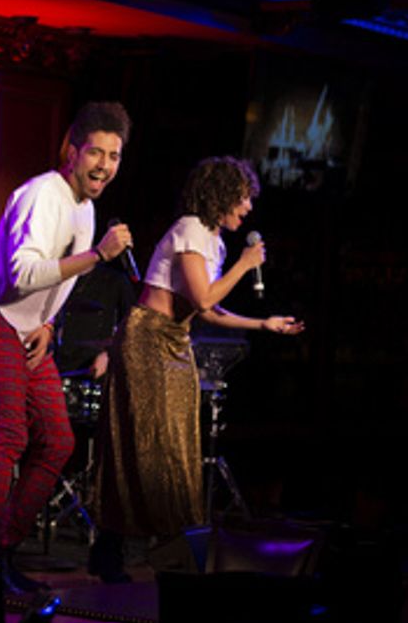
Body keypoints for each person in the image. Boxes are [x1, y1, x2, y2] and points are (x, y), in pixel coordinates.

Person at [90, 156, 303, 583]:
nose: (247, 209)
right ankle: (124, 550)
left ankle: (156, 552)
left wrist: (263, 324)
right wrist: (245, 265)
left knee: (177, 447)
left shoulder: (212, 239)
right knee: (149, 445)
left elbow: (208, 309)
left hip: (174, 340)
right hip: (149, 338)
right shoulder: (191, 229)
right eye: (243, 199)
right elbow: (205, 300)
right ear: (221, 195)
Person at [0, 101, 134, 592]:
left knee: (58, 440)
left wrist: (50, 323)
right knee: (10, 436)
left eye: (114, 156)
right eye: (95, 153)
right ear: (72, 150)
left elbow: (55, 283)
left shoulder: (86, 206)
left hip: (27, 332)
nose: (104, 165)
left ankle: (1, 550)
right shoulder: (46, 194)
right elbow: (22, 273)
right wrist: (98, 254)